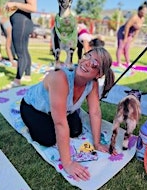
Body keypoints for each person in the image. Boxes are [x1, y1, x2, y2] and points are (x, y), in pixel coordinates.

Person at [20, 47, 115, 181]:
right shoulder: (60, 78)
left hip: (62, 110)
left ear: (98, 74)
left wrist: (97, 142)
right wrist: (68, 163)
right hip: (33, 107)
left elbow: (95, 112)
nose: (87, 62)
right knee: (48, 139)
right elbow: (60, 123)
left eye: (94, 63)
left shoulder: (92, 84)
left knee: (76, 131)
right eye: (87, 56)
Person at [5, 0, 37, 87]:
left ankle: (17, 80)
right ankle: (28, 75)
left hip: (23, 22)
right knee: (24, 50)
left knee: (20, 51)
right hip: (19, 21)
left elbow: (33, 7)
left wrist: (14, 4)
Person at [115, 1, 147, 68]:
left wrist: (133, 40)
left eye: (146, 11)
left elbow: (137, 30)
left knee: (127, 48)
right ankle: (119, 63)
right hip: (123, 32)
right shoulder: (134, 17)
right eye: (144, 11)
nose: (145, 12)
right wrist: (125, 38)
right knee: (121, 47)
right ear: (139, 11)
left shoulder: (142, 19)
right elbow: (127, 26)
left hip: (130, 34)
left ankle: (128, 62)